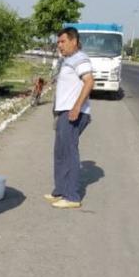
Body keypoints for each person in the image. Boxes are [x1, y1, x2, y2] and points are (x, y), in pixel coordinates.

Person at [44, 27, 94, 210]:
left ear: (74, 41)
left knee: (69, 152)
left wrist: (77, 106)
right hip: (63, 111)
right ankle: (60, 191)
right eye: (58, 42)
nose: (59, 45)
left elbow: (89, 82)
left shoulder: (80, 58)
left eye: (63, 41)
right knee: (60, 152)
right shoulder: (67, 60)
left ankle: (72, 196)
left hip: (73, 112)